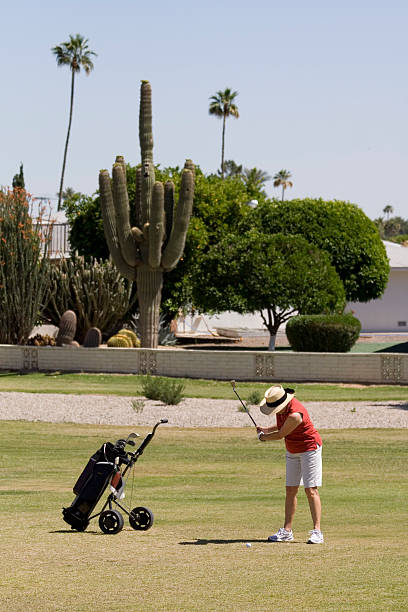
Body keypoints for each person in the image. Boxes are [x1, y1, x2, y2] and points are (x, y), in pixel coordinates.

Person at [256, 384, 323, 544]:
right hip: (292, 450)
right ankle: (287, 531)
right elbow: (281, 426)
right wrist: (265, 429)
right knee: (291, 489)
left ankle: (317, 532)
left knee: (310, 490)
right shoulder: (283, 410)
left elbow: (280, 434)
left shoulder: (295, 414)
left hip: (309, 449)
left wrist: (263, 438)